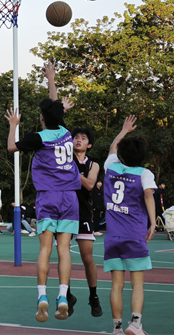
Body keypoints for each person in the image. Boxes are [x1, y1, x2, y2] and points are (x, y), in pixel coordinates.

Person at [5, 83, 80, 321]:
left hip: (48, 196)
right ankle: (62, 296)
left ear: (41, 118)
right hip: (70, 197)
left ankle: (42, 296)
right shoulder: (66, 133)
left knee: (45, 249)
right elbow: (56, 112)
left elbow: (11, 147)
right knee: (64, 250)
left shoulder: (38, 138)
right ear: (61, 116)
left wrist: (13, 125)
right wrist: (52, 80)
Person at [103, 116, 157, 335]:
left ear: (121, 154)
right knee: (137, 284)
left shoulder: (111, 167)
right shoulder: (144, 174)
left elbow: (112, 147)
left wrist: (124, 130)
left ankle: (116, 328)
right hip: (134, 235)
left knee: (116, 285)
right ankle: (135, 324)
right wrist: (153, 222)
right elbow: (148, 195)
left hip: (112, 237)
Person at [69, 127, 102, 317]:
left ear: (89, 144)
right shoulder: (64, 158)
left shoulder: (93, 165)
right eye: (76, 137)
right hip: (64, 210)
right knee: (63, 255)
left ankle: (93, 296)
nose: (78, 140)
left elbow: (89, 184)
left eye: (83, 138)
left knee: (87, 258)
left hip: (83, 212)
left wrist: (71, 172)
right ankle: (66, 294)